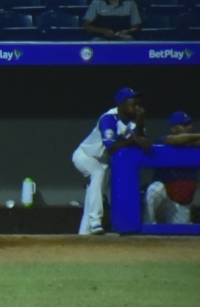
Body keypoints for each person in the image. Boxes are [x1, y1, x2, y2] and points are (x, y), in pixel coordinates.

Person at [71, 87, 149, 236]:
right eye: (133, 102)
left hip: (102, 161)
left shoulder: (133, 122)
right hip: (84, 155)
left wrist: (140, 122)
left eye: (138, 103)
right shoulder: (108, 118)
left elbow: (141, 140)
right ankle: (95, 223)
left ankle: (84, 233)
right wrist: (132, 139)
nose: (137, 106)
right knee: (98, 173)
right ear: (122, 104)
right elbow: (112, 148)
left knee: (95, 192)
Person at [144, 112, 200, 225]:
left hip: (180, 204)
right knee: (154, 189)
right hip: (163, 198)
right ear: (173, 129)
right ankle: (148, 225)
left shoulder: (194, 146)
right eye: (184, 125)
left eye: (189, 124)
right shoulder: (163, 141)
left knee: (181, 235)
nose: (189, 127)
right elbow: (176, 141)